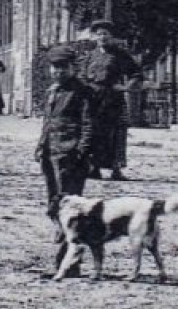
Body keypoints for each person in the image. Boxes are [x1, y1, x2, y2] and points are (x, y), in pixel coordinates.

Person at [37, 45, 96, 277]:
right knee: (54, 204)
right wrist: (41, 145)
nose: (58, 71)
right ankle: (65, 258)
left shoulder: (82, 92)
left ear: (73, 68)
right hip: (51, 154)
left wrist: (81, 151)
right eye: (55, 67)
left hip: (71, 155)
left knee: (70, 210)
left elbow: (89, 124)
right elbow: (48, 122)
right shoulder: (52, 91)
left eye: (63, 67)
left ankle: (69, 265)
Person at [84, 20, 142, 181]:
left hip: (113, 100)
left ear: (112, 37)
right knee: (94, 134)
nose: (102, 37)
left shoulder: (120, 55)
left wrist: (125, 87)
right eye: (99, 34)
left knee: (115, 134)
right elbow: (83, 77)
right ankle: (94, 167)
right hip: (94, 99)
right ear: (95, 37)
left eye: (106, 34)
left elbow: (136, 73)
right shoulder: (90, 56)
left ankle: (116, 169)